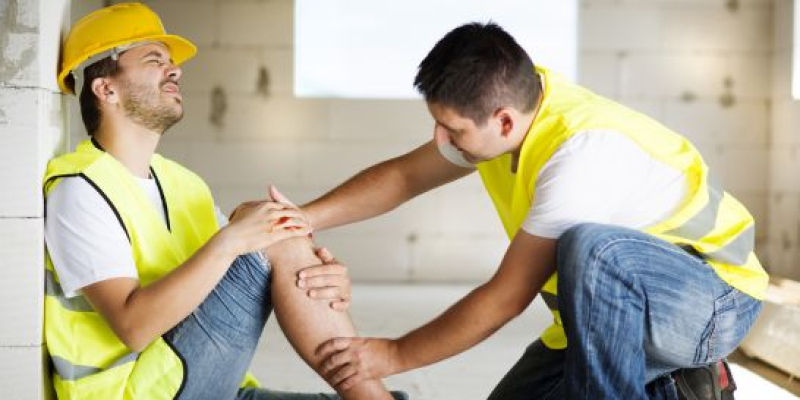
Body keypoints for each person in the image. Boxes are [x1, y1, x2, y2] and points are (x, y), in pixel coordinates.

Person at [302, 23, 767, 400]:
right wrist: (304, 218)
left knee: (595, 248)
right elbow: (404, 177)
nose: (441, 141)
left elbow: (505, 298)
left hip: (712, 301)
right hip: (603, 320)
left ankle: (685, 382)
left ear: (503, 119)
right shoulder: (515, 109)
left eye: (452, 129)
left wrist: (393, 354)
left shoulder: (579, 155)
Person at [45, 4, 405, 400]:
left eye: (171, 62)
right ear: (105, 89)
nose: (175, 70)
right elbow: (133, 328)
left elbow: (252, 268)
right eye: (154, 60)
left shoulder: (184, 184)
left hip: (206, 382)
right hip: (137, 392)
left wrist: (321, 280)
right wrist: (239, 238)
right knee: (268, 226)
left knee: (270, 228)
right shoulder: (79, 188)